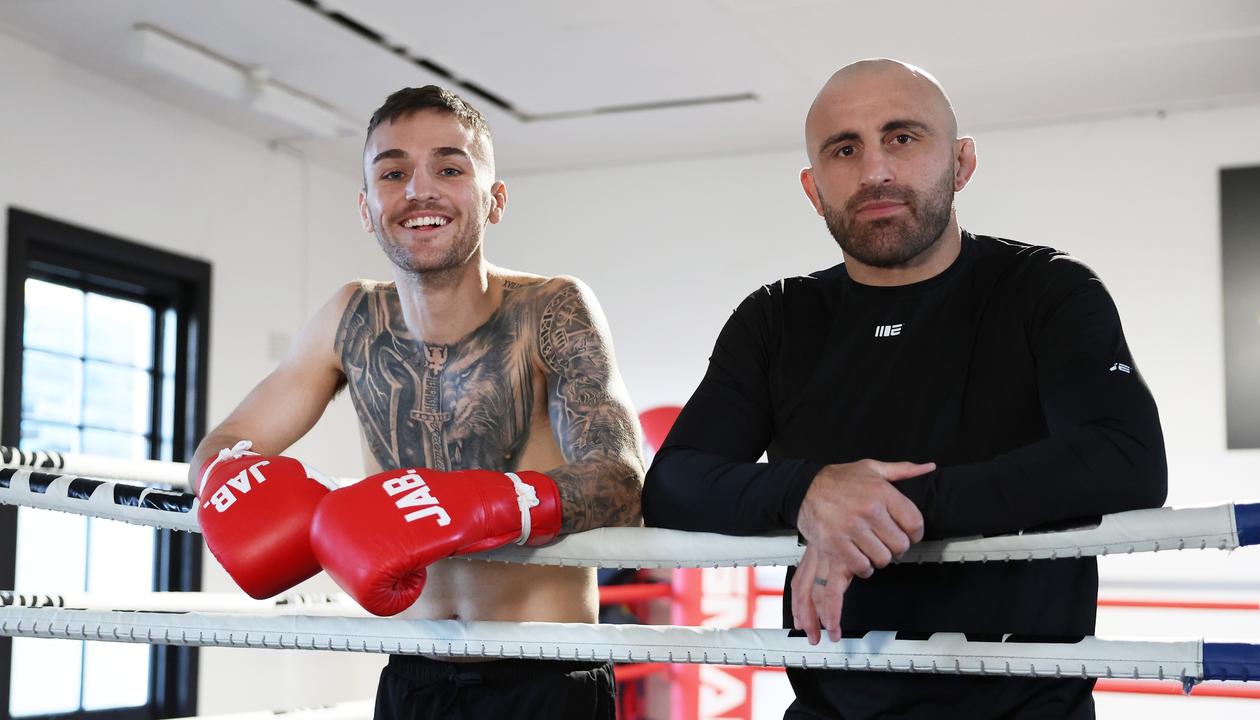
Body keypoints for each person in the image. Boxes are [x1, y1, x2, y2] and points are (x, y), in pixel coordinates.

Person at [643, 59, 1167, 719]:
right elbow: (675, 482)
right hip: (833, 707)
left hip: (1025, 707)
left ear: (962, 164)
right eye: (845, 149)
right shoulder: (777, 318)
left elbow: (1126, 458)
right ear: (813, 189)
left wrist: (878, 506)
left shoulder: (1046, 289)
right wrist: (806, 494)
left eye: (903, 138)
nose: (874, 172)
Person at [190, 86, 644, 719]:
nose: (419, 190)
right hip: (413, 675)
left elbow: (621, 481)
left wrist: (481, 505)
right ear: (367, 206)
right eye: (394, 172)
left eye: (450, 168)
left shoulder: (552, 309)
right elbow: (227, 442)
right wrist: (231, 489)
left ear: (495, 200)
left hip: (545, 675)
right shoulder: (349, 319)